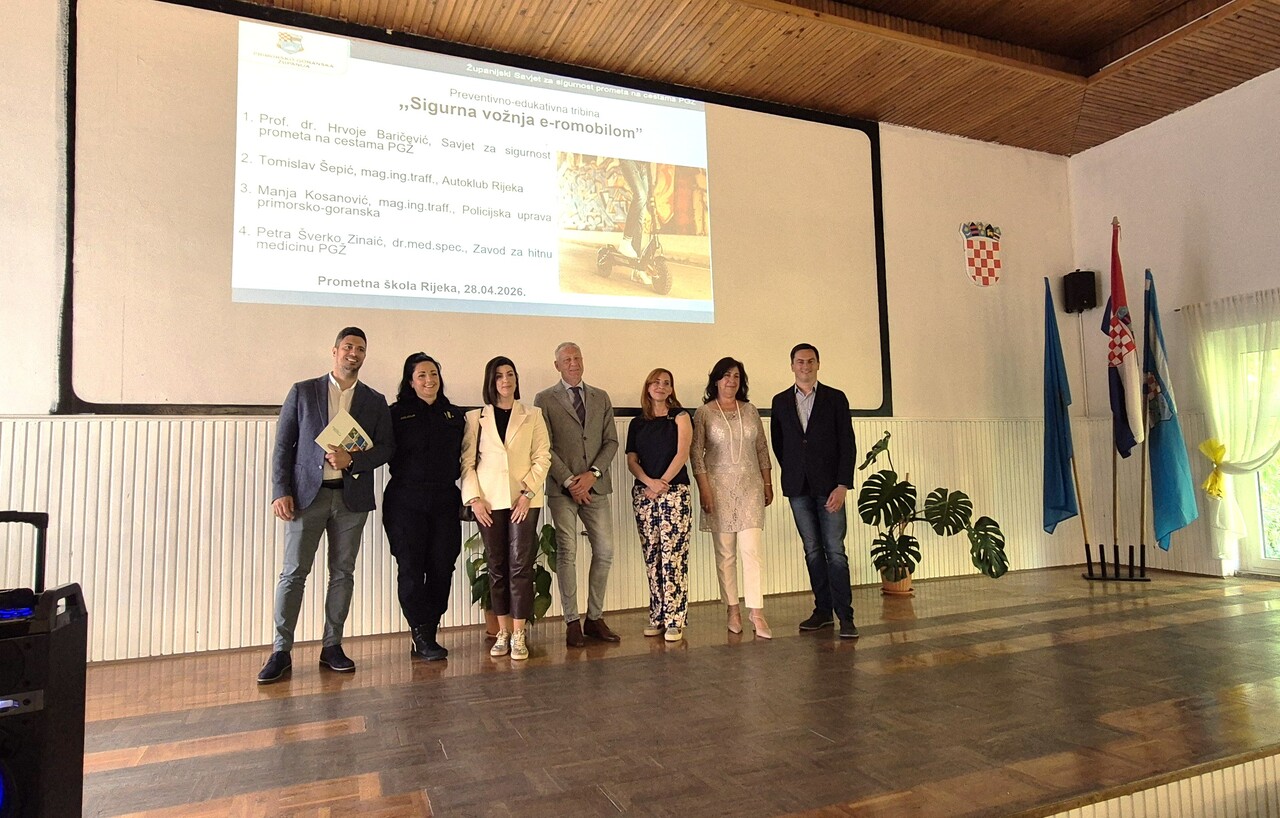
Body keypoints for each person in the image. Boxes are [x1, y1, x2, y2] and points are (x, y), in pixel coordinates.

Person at [258, 327, 395, 684]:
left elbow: (386, 448)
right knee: (293, 573)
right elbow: (283, 445)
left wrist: (354, 460)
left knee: (343, 573)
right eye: (348, 347)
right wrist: (280, 490)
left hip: (351, 499)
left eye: (360, 349)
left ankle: (332, 646)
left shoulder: (374, 400)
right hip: (307, 496)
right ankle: (281, 651)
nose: (354, 353)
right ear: (334, 351)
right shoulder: (303, 391)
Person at [461, 357, 551, 661]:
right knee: (496, 566)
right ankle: (502, 632)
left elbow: (543, 456)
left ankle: (519, 634)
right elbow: (467, 463)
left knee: (520, 567)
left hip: (522, 501)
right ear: (491, 381)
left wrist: (527, 493)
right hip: (488, 502)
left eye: (510, 374)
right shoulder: (476, 418)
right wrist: (474, 499)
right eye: (499, 375)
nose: (505, 380)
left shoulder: (533, 415)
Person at [534, 342, 622, 648]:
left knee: (605, 551)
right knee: (567, 552)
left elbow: (611, 441)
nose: (573, 363)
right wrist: (571, 480)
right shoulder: (544, 399)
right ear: (557, 365)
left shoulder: (601, 397)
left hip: (595, 485)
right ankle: (572, 620)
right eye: (567, 359)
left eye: (577, 358)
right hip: (563, 489)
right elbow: (544, 446)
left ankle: (594, 618)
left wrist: (592, 475)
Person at [770, 344, 859, 639]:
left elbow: (847, 443)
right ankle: (822, 612)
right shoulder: (780, 401)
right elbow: (780, 445)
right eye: (800, 362)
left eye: (810, 361)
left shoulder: (835, 398)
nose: (805, 366)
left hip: (831, 488)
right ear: (792, 366)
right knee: (812, 550)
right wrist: (795, 470)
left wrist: (842, 485)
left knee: (835, 551)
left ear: (818, 364)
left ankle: (846, 617)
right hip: (798, 488)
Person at [382, 353, 465, 661]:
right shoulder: (395, 414)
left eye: (433, 374)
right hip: (406, 500)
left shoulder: (454, 415)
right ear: (410, 381)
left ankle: (428, 629)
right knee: (411, 568)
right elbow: (378, 448)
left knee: (443, 565)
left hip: (444, 499)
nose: (429, 380)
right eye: (422, 375)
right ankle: (421, 633)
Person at [691, 357, 774, 638]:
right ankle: (733, 609)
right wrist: (704, 490)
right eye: (726, 375)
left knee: (752, 551)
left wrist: (767, 482)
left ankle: (756, 612)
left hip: (751, 487)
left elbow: (762, 448)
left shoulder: (750, 410)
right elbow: (696, 455)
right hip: (718, 490)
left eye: (736, 376)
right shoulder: (704, 413)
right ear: (716, 380)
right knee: (725, 554)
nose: (731, 381)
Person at [625, 368, 693, 642]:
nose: (661, 386)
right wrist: (648, 483)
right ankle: (658, 616)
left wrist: (661, 483)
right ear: (648, 386)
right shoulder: (637, 423)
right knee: (652, 556)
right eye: (656, 382)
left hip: (674, 493)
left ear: (671, 389)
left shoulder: (680, 417)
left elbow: (682, 453)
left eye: (666, 383)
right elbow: (632, 460)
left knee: (673, 556)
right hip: (644, 495)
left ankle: (675, 619)